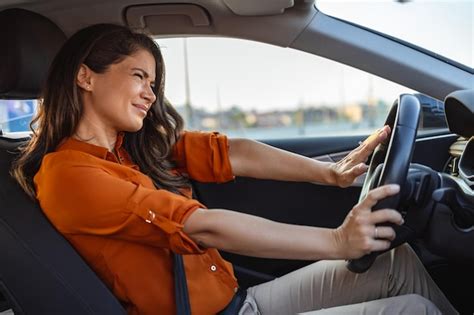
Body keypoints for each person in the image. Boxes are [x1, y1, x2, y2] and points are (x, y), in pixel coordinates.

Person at [11, 24, 457, 315]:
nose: (150, 93)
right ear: (86, 77)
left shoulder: (133, 149)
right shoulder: (68, 175)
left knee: (397, 262)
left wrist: (330, 174)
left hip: (239, 302)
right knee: (412, 310)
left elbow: (234, 153)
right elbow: (204, 227)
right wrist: (337, 241)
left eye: (153, 82)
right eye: (138, 76)